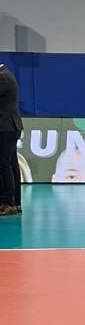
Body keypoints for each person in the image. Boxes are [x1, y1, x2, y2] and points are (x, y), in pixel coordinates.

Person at [0, 59, 21, 216]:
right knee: (11, 164)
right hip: (10, 127)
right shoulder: (7, 74)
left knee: (4, 164)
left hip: (6, 127)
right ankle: (15, 202)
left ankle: (7, 203)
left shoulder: (3, 77)